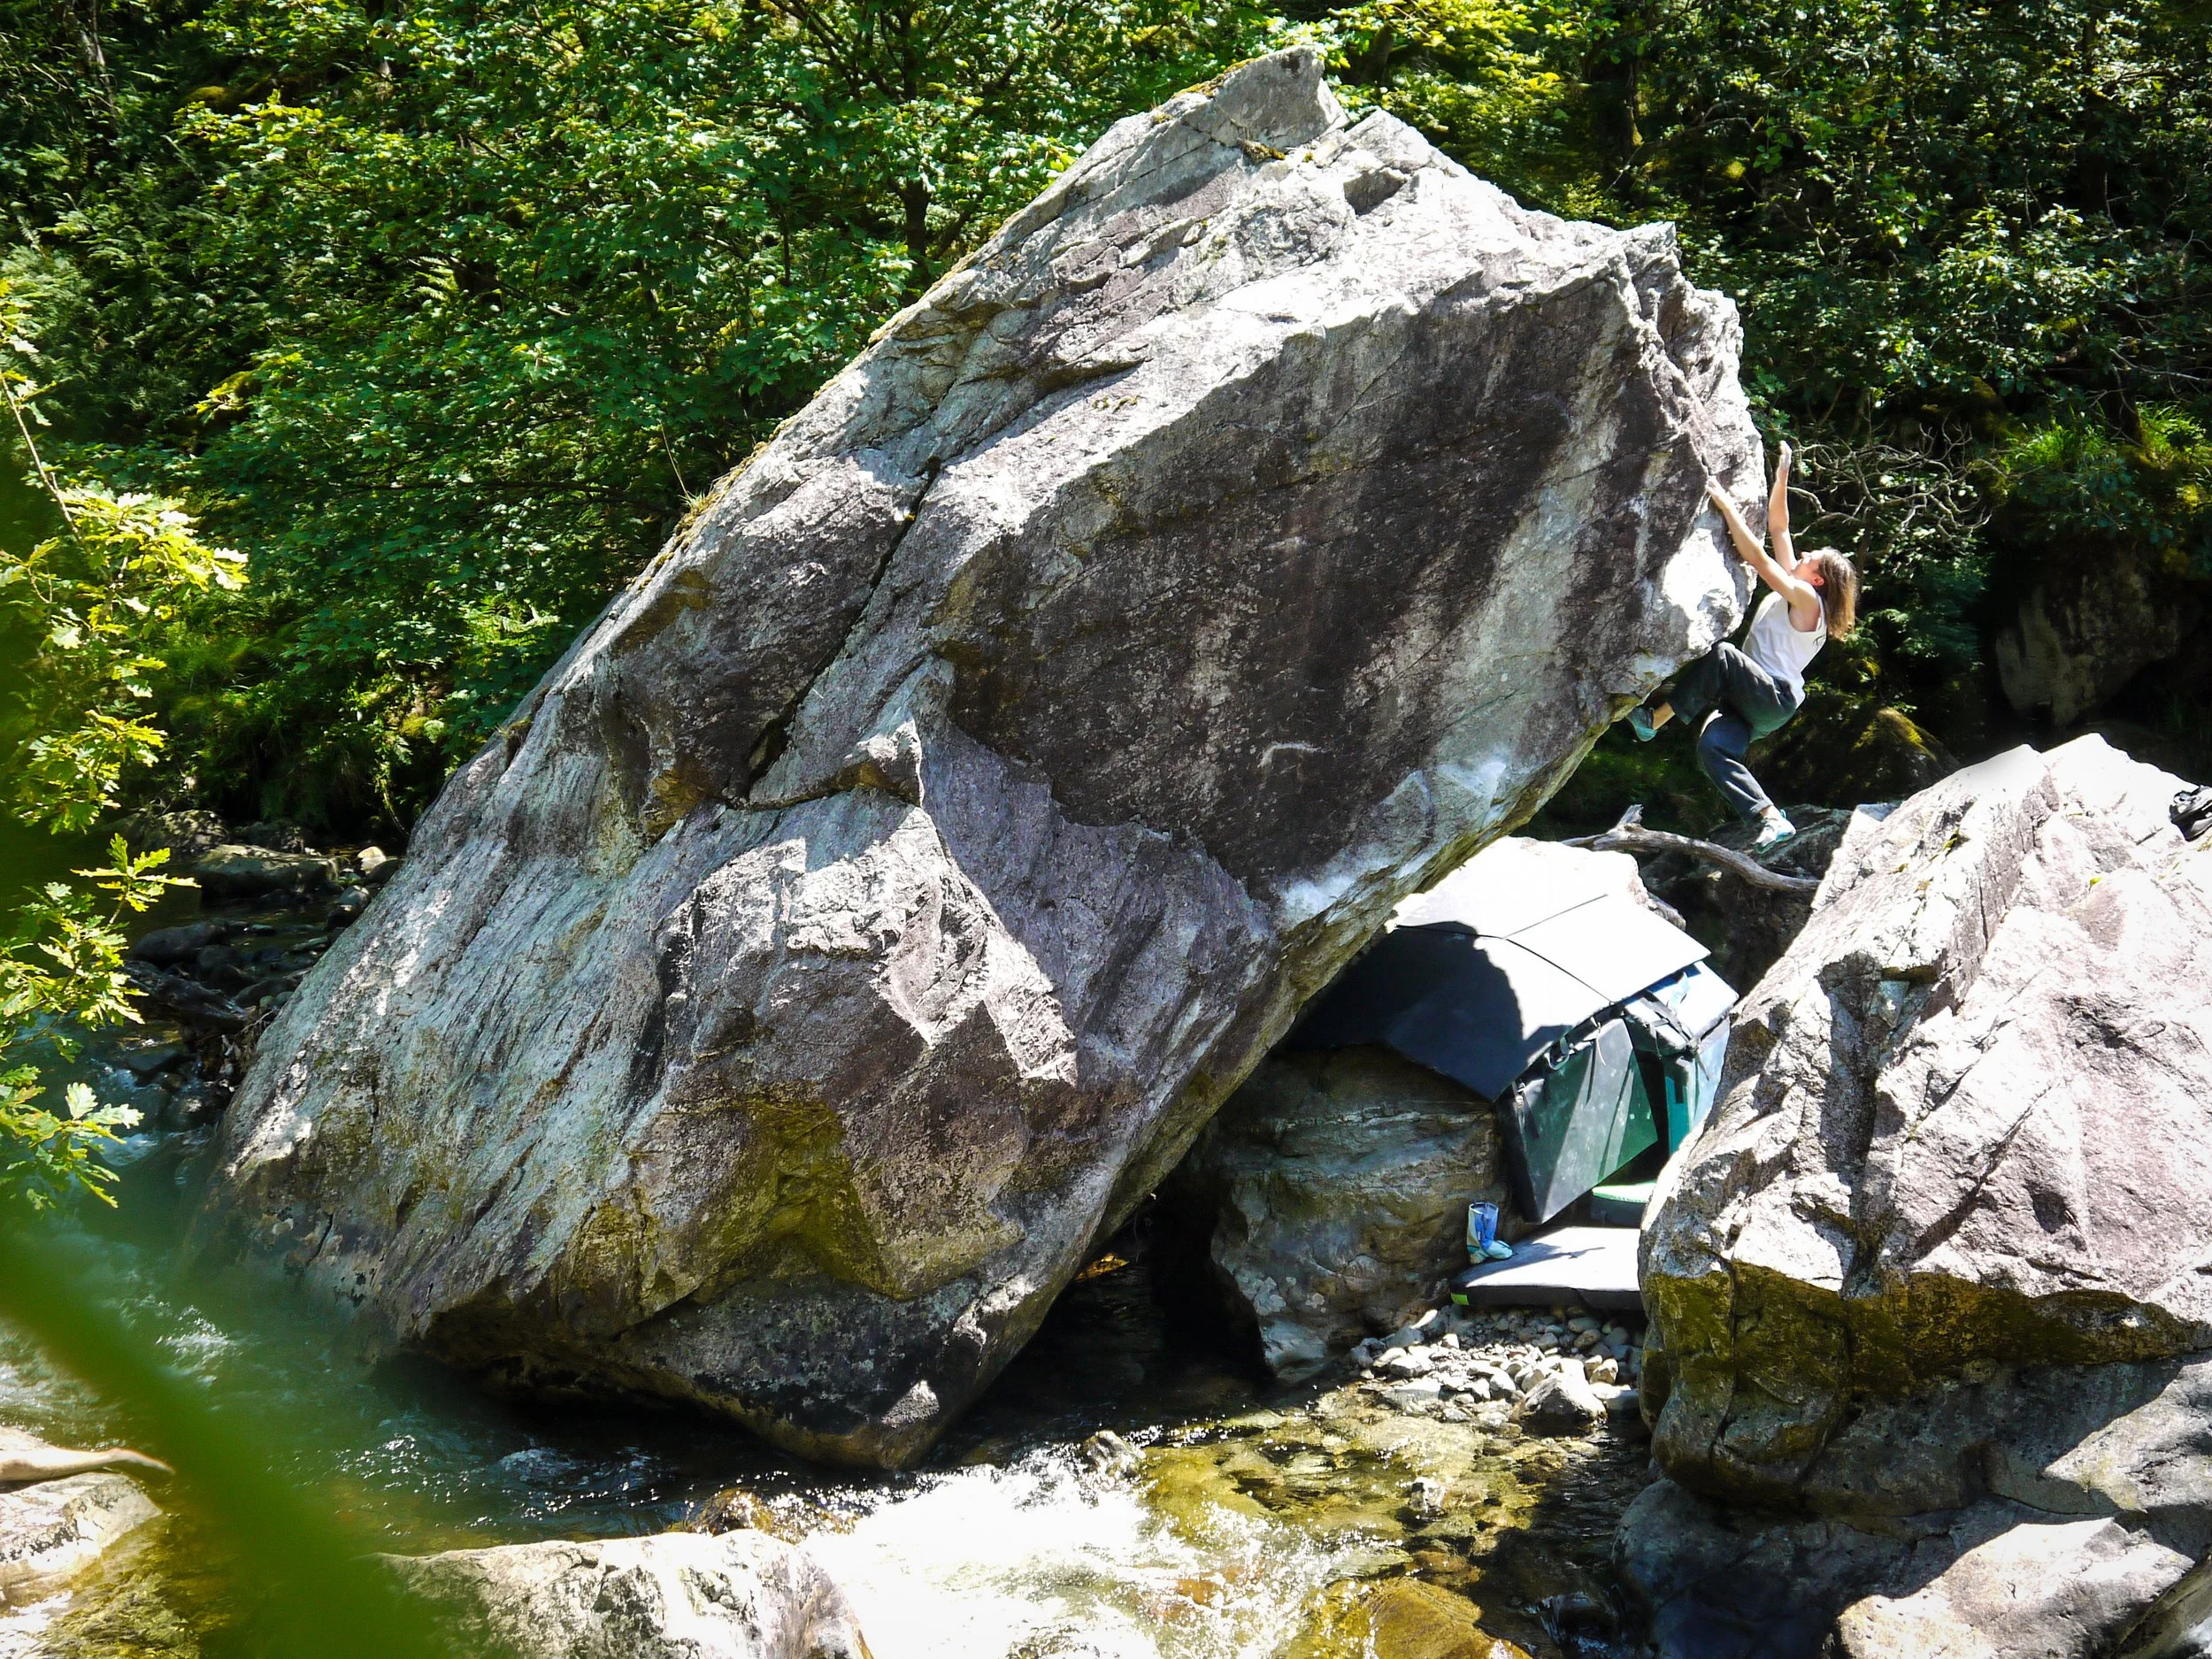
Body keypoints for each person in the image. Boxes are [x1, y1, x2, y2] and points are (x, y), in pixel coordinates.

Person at [1625, 443, 1858, 850]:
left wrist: (1723, 501)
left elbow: (1756, 556)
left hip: (1772, 695)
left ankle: (1653, 720)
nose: (1802, 555)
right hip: (1756, 704)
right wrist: (1783, 471)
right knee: (1713, 747)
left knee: (1723, 655)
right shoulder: (1802, 590)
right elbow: (1779, 527)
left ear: (1818, 580)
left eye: (1811, 558)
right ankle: (1771, 818)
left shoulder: (1807, 601)